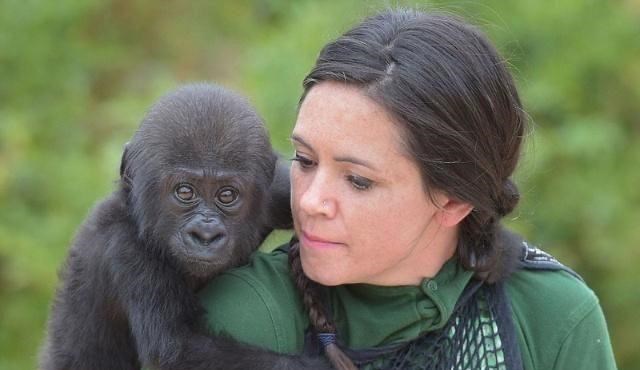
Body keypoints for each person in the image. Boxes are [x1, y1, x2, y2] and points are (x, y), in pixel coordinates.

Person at [200, 8, 617, 370]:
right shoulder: (243, 318)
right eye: (305, 161)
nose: (309, 201)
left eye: (358, 180)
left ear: (454, 200)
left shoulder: (552, 316)